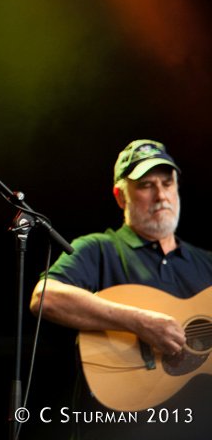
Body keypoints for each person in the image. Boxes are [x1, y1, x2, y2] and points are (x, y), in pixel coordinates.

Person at [29, 139, 212, 440]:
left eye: (168, 183)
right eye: (146, 185)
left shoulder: (206, 264)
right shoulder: (98, 249)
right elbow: (45, 297)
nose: (161, 195)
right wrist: (140, 322)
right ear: (120, 196)